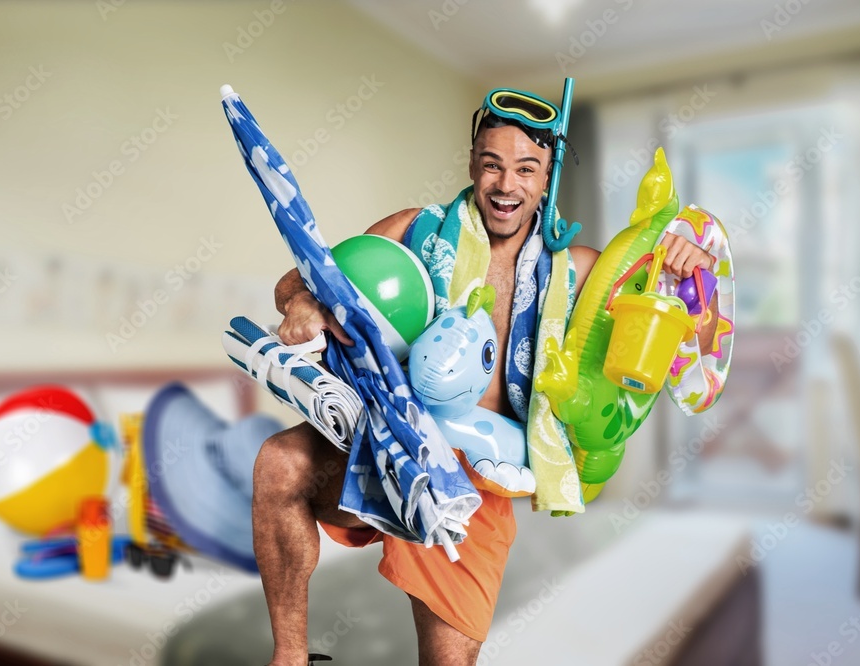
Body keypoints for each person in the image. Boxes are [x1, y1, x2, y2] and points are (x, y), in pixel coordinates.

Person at [252, 88, 716, 666]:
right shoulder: (415, 230)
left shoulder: (583, 273)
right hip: (392, 436)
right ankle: (291, 657)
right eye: (492, 164)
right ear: (472, 163)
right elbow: (299, 279)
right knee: (280, 462)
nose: (505, 184)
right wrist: (303, 304)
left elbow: (684, 355)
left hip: (472, 485)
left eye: (527, 169)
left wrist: (691, 278)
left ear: (546, 181)